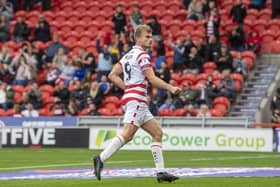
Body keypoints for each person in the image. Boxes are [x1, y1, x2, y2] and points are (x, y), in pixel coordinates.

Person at [93, 25, 181, 182]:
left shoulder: (127, 56)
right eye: (147, 36)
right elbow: (152, 79)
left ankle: (161, 173)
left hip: (134, 98)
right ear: (138, 38)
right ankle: (100, 158)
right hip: (136, 100)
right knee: (127, 134)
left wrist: (128, 88)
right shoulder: (142, 55)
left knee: (157, 133)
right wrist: (170, 87)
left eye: (151, 36)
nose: (150, 39)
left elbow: (112, 75)